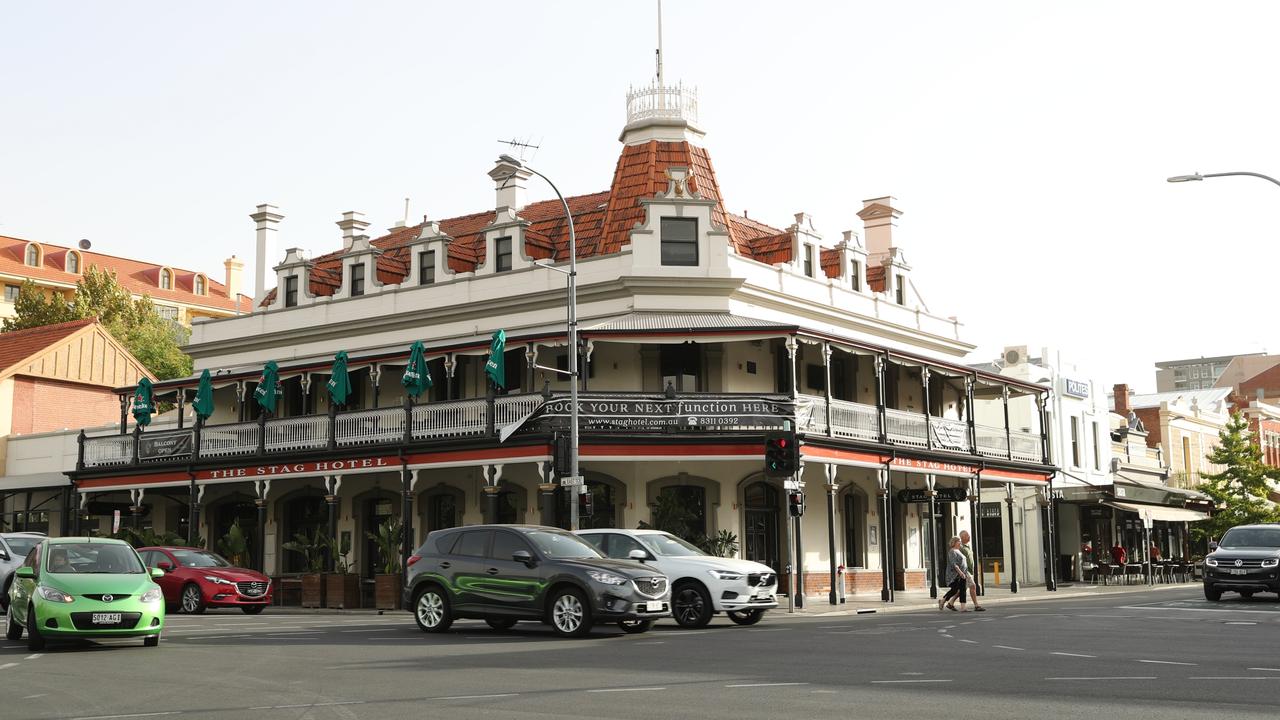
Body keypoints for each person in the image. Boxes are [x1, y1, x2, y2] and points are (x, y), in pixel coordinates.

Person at [939, 536, 969, 612]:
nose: (960, 542)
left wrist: (964, 573)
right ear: (954, 542)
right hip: (954, 575)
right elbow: (954, 564)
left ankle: (963, 607)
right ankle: (943, 600)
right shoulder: (952, 551)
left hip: (962, 574)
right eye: (958, 541)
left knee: (963, 590)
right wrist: (960, 572)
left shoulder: (958, 550)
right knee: (955, 589)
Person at [958, 530, 985, 611]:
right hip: (965, 571)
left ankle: (948, 602)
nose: (969, 536)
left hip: (970, 570)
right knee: (973, 586)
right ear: (962, 538)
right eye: (967, 535)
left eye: (968, 535)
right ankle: (976, 605)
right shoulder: (961, 547)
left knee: (962, 589)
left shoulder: (967, 546)